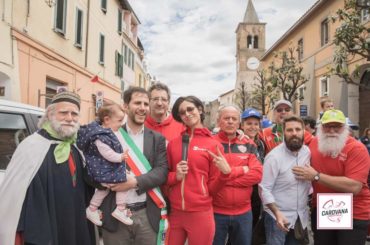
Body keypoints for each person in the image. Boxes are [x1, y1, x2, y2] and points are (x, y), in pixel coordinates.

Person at [0, 91, 95, 245]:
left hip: (75, 224)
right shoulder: (31, 146)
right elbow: (23, 197)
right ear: (50, 115)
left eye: (74, 114)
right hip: (46, 226)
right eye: (63, 113)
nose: (70, 118)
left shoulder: (76, 147)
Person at [100, 87, 168, 245]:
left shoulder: (157, 138)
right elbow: (93, 169)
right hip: (114, 214)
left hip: (146, 214)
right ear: (125, 106)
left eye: (146, 103)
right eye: (137, 102)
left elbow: (162, 171)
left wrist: (135, 182)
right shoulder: (108, 135)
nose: (142, 107)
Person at [292, 109, 370, 245]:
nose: (332, 130)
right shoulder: (314, 143)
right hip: (324, 207)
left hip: (353, 211)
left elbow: (355, 186)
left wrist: (316, 176)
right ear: (320, 128)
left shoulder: (357, 148)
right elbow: (292, 135)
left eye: (337, 126)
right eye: (328, 126)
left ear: (345, 128)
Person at [166, 95, 232, 245]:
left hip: (200, 213)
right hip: (176, 212)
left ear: (200, 109)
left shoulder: (213, 145)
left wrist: (225, 175)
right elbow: (165, 177)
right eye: (182, 112)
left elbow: (213, 188)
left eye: (190, 109)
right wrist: (175, 176)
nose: (187, 114)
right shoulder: (173, 144)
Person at [213, 105, 263, 245]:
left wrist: (226, 176)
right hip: (216, 212)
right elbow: (211, 177)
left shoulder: (249, 144)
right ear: (219, 122)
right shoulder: (210, 143)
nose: (230, 121)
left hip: (244, 213)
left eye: (234, 119)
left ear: (238, 123)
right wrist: (242, 170)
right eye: (226, 118)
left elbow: (257, 175)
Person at [77, 102, 133, 226]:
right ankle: (120, 209)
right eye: (119, 120)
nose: (121, 124)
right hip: (103, 171)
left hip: (102, 170)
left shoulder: (102, 133)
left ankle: (92, 209)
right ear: (107, 120)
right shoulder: (100, 137)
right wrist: (120, 157)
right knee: (125, 183)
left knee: (103, 190)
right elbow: (107, 154)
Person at [259, 115, 311, 245]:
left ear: (304, 132)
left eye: (298, 129)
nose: (294, 133)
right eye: (290, 130)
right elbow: (264, 188)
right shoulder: (274, 157)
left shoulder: (307, 152)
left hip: (300, 218)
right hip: (277, 219)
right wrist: (277, 213)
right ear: (283, 132)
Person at [241, 108, 265, 229]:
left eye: (256, 124)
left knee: (253, 224)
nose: (253, 127)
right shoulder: (237, 142)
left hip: (257, 191)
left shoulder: (261, 143)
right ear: (242, 125)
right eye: (249, 123)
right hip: (242, 190)